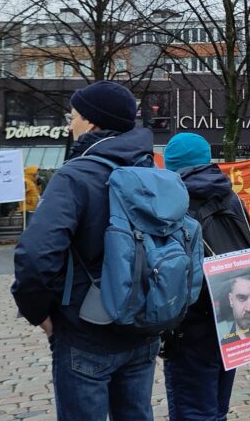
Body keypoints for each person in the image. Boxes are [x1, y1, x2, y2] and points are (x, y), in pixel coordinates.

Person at [11, 81, 162, 421]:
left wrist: (38, 313)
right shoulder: (150, 170)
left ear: (92, 122)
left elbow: (35, 255)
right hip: (143, 324)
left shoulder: (75, 175)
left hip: (85, 330)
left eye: (73, 115)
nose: (69, 123)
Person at [161, 132, 250, 421]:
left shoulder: (175, 201)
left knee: (192, 409)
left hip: (192, 322)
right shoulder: (231, 194)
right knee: (216, 406)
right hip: (233, 314)